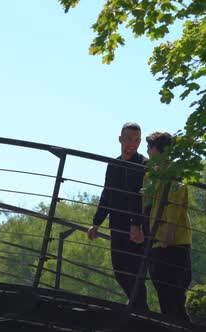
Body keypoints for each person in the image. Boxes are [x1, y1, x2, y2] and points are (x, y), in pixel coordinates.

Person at [87, 122, 149, 311]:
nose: (133, 143)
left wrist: (136, 224)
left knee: (135, 271)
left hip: (136, 227)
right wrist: (96, 223)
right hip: (117, 225)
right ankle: (139, 308)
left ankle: (140, 311)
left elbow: (142, 198)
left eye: (137, 140)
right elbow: (107, 194)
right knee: (120, 270)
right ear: (120, 139)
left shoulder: (144, 165)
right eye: (129, 139)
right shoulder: (113, 165)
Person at [143, 131, 192, 321]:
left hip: (172, 241)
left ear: (157, 149)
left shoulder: (172, 172)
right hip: (158, 240)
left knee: (174, 295)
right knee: (164, 292)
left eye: (149, 147)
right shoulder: (153, 174)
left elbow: (175, 202)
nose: (147, 151)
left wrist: (168, 233)